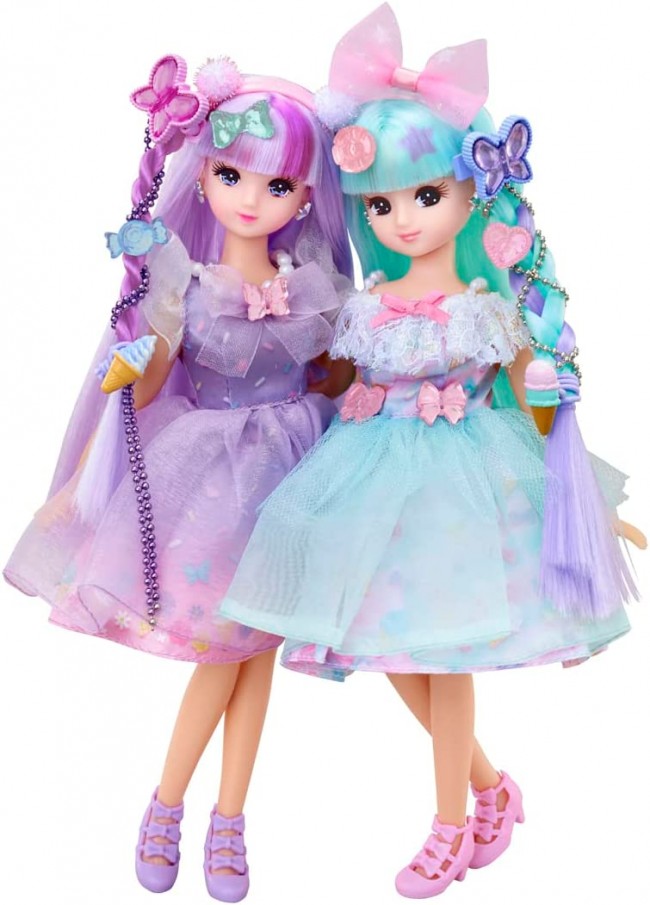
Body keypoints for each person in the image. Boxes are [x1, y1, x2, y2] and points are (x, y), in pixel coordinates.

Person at [222, 5, 644, 898]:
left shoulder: (485, 308)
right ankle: (491, 786)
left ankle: (450, 820)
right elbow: (333, 379)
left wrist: (582, 490)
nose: (402, 219)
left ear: (468, 190)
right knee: (387, 647)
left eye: (425, 195)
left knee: (446, 653)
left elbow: (537, 396)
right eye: (380, 204)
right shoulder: (366, 302)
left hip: (463, 485)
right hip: (370, 481)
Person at [3, 52, 352, 902]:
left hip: (295, 475)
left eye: (277, 184)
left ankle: (221, 815)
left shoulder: (315, 286)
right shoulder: (185, 285)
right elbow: (157, 374)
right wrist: (129, 367)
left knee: (254, 651)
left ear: (305, 196)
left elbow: (332, 373)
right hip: (215, 482)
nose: (251, 198)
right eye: (233, 175)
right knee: (231, 651)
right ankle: (174, 804)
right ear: (202, 176)